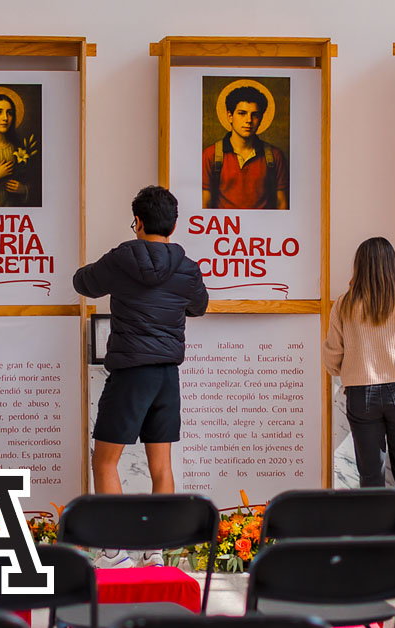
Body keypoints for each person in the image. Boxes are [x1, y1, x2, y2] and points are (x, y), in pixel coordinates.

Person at [73, 185, 208, 567]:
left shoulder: (122, 258)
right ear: (174, 225)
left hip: (131, 372)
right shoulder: (187, 267)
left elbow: (83, 283)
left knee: (105, 462)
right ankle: (155, 552)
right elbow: (199, 306)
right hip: (167, 376)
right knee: (161, 467)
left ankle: (114, 552)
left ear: (137, 221)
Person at [322, 237, 395, 533]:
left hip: (361, 393)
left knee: (370, 474)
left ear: (359, 266)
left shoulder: (344, 305)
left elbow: (332, 354)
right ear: (392, 266)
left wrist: (349, 371)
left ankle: (376, 539)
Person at [202, 85, 289, 209]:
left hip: (263, 222)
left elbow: (281, 203)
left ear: (261, 119)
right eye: (242, 113)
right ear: (230, 116)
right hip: (227, 222)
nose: (249, 120)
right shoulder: (210, 155)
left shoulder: (274, 156)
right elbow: (205, 204)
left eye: (255, 115)